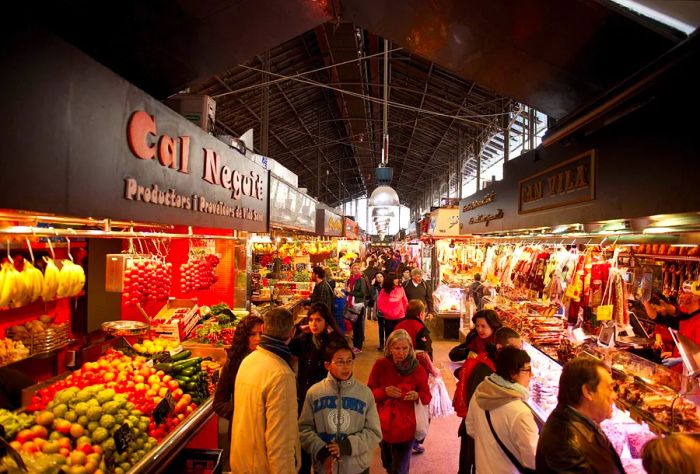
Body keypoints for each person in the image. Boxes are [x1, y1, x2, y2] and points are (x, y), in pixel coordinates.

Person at [230, 307, 301, 474]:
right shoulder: (281, 374)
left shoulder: (248, 361)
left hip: (241, 461)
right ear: (292, 332)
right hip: (262, 467)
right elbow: (280, 440)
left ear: (263, 329)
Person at [299, 341, 382, 474]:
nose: (346, 367)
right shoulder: (314, 393)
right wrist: (322, 450)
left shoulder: (365, 393)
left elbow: (374, 432)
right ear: (327, 365)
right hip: (325, 467)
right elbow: (304, 429)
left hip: (357, 467)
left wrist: (347, 446)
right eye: (340, 362)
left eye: (349, 361)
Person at [536, 357, 624, 474]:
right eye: (610, 388)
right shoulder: (566, 447)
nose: (614, 396)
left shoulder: (575, 421)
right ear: (588, 391)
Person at [455, 327, 521, 474]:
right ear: (500, 348)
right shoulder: (487, 371)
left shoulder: (489, 361)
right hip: (478, 433)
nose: (519, 354)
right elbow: (477, 408)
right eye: (515, 349)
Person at [368, 330, 431, 474]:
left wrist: (417, 395)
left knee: (400, 469)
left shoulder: (417, 369)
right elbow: (369, 393)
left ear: (410, 349)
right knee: (388, 464)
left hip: (407, 427)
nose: (401, 353)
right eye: (397, 348)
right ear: (389, 348)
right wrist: (384, 392)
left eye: (405, 348)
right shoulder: (381, 365)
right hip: (384, 426)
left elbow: (427, 396)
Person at [466, 347, 538, 473]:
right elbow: (533, 459)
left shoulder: (480, 392)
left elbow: (471, 428)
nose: (531, 375)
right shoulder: (520, 412)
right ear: (512, 373)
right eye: (528, 370)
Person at [395, 299, 440, 455]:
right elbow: (424, 354)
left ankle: (401, 435)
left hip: (399, 371)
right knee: (421, 405)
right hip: (418, 373)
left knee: (403, 403)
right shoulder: (421, 328)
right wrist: (433, 370)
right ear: (421, 313)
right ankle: (416, 439)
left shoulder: (399, 325)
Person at [213, 315, 264, 429]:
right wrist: (242, 413)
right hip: (241, 428)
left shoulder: (270, 362)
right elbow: (219, 403)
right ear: (244, 337)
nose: (258, 339)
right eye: (252, 334)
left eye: (261, 334)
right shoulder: (233, 363)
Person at [346, 262, 371, 353]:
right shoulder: (350, 279)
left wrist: (350, 292)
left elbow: (362, 293)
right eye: (354, 268)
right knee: (354, 325)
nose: (356, 270)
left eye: (358, 268)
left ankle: (358, 346)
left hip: (358, 305)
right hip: (351, 304)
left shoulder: (361, 280)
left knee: (358, 326)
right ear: (351, 270)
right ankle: (355, 345)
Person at [372, 272, 388, 351]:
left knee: (388, 328)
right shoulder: (375, 287)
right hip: (380, 310)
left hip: (388, 310)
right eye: (377, 277)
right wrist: (372, 285)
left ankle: (388, 343)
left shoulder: (387, 286)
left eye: (381, 276)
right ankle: (381, 344)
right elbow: (372, 296)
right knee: (381, 328)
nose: (379, 278)